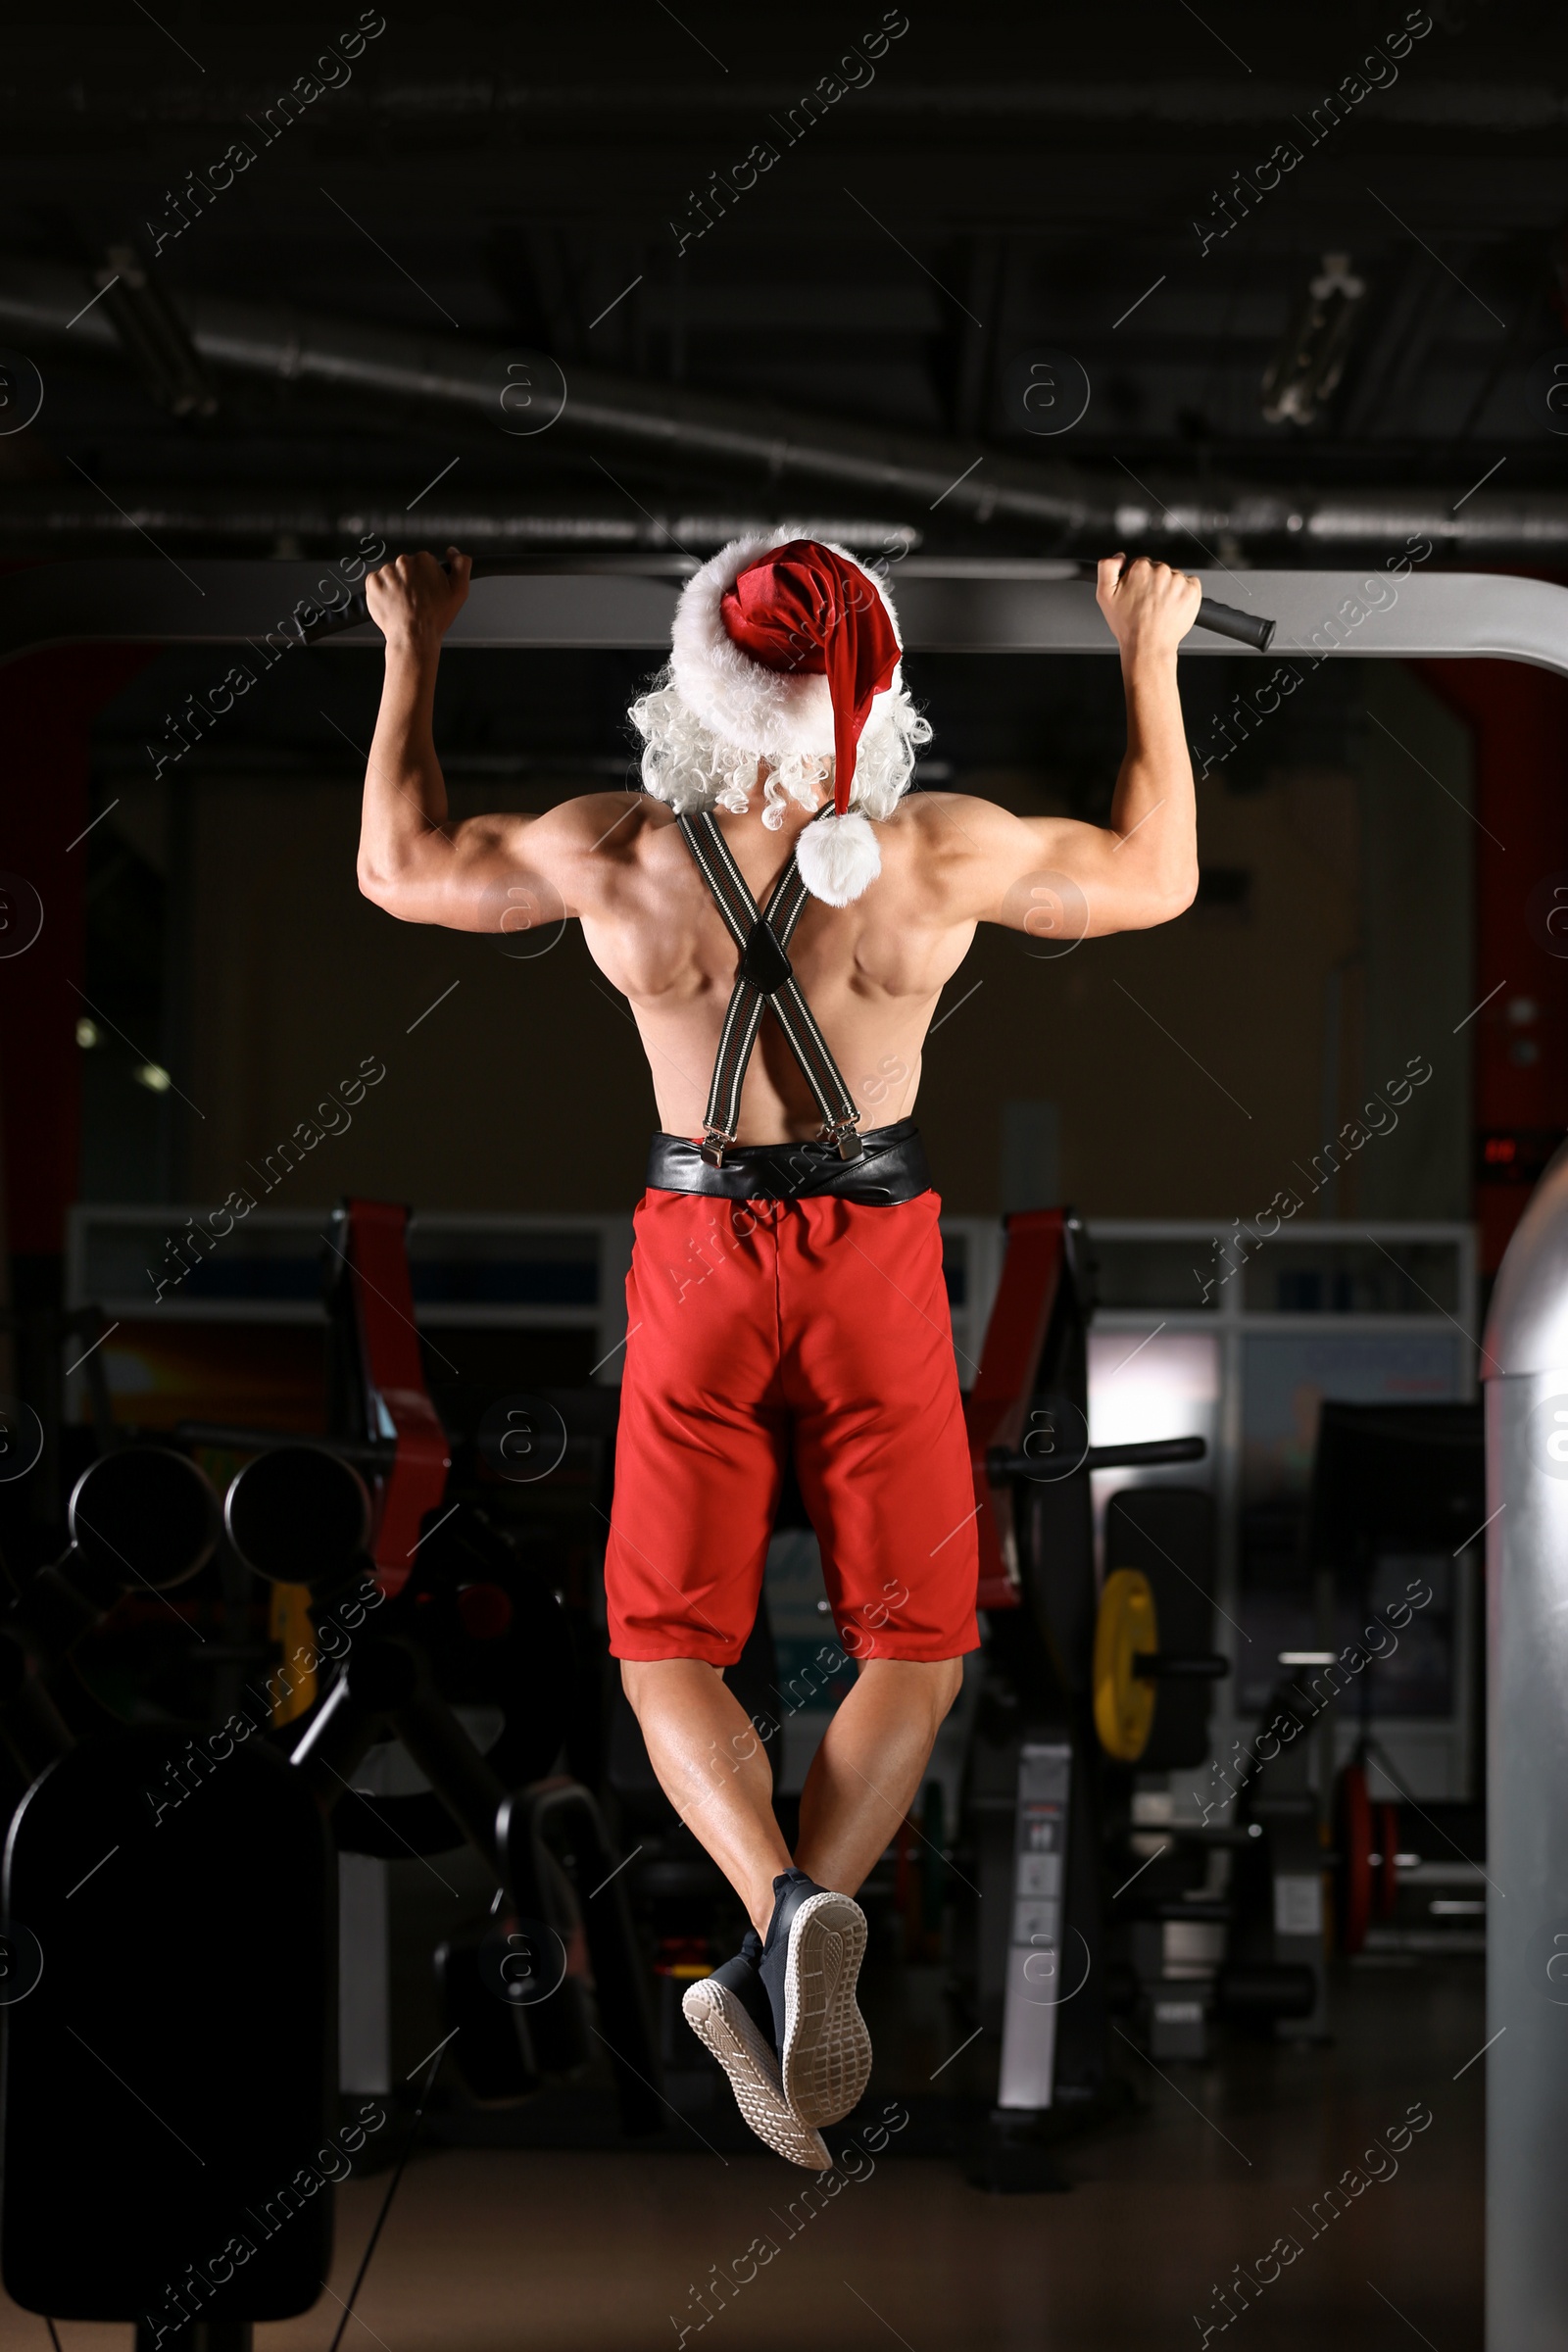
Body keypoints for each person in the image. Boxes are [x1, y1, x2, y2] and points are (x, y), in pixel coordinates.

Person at [358, 533, 1202, 2168]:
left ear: (698, 686)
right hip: (874, 1247)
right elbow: (1158, 874)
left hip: (699, 1251)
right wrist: (1147, 650)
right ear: (864, 693)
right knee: (920, 1647)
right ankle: (799, 1925)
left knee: (665, 1644)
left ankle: (779, 1908)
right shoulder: (937, 850)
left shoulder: (618, 848)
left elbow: (399, 863)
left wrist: (414, 641)